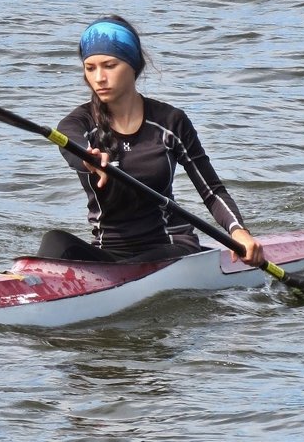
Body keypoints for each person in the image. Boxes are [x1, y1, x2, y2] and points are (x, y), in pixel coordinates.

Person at [37, 15, 265, 267]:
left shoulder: (170, 122)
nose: (99, 78)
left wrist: (238, 232)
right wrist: (88, 157)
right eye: (90, 68)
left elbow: (211, 191)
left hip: (170, 246)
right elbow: (71, 143)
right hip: (109, 253)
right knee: (55, 240)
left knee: (138, 265)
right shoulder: (78, 124)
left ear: (133, 65)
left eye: (109, 65)